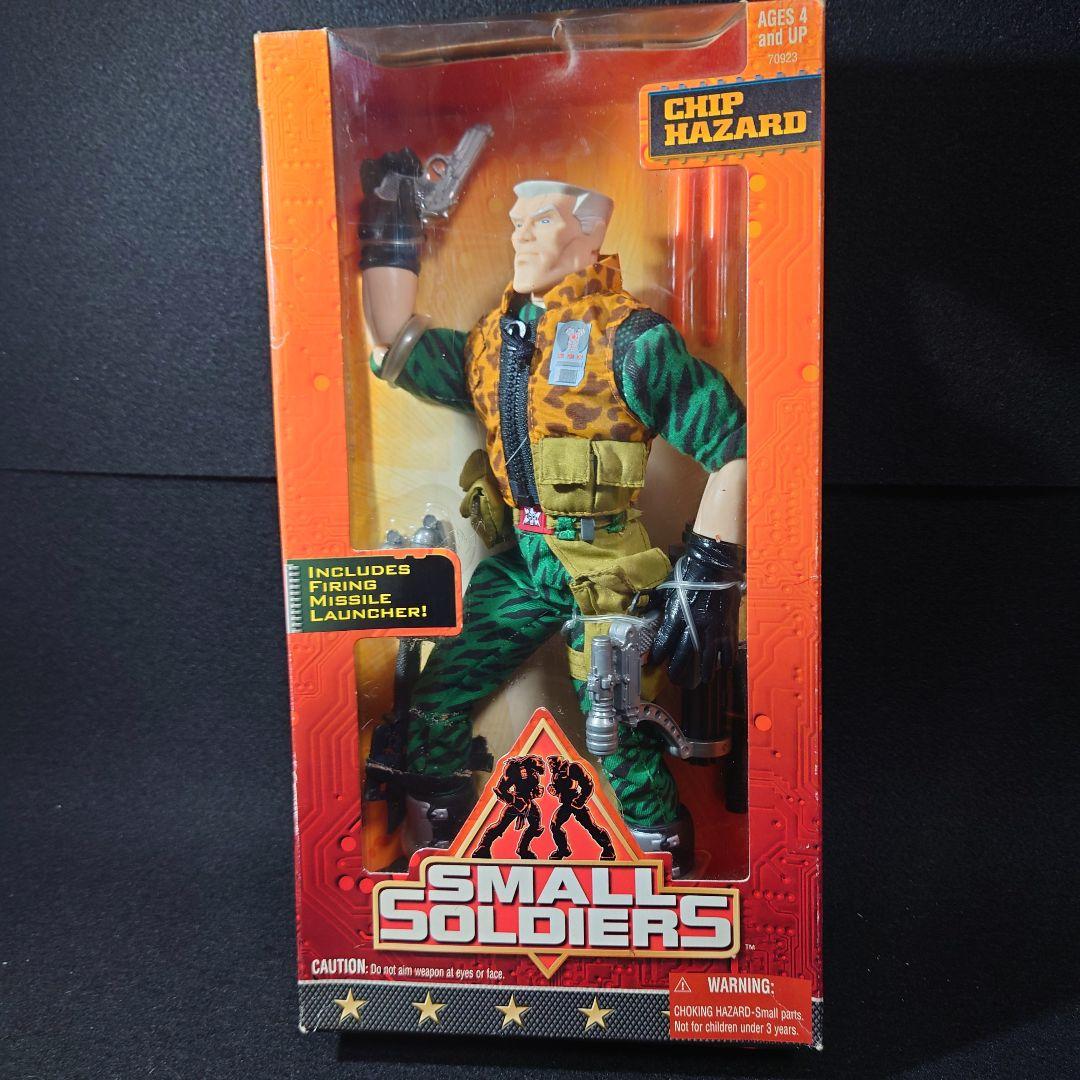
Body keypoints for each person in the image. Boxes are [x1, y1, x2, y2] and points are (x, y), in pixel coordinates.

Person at [360, 154, 746, 877]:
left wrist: (709, 573)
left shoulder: (631, 341)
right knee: (438, 699)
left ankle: (666, 863)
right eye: (516, 221)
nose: (519, 234)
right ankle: (432, 852)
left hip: (605, 567)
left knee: (618, 728)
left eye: (540, 220)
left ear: (588, 233)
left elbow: (735, 441)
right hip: (526, 562)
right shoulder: (494, 343)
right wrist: (391, 226)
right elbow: (391, 342)